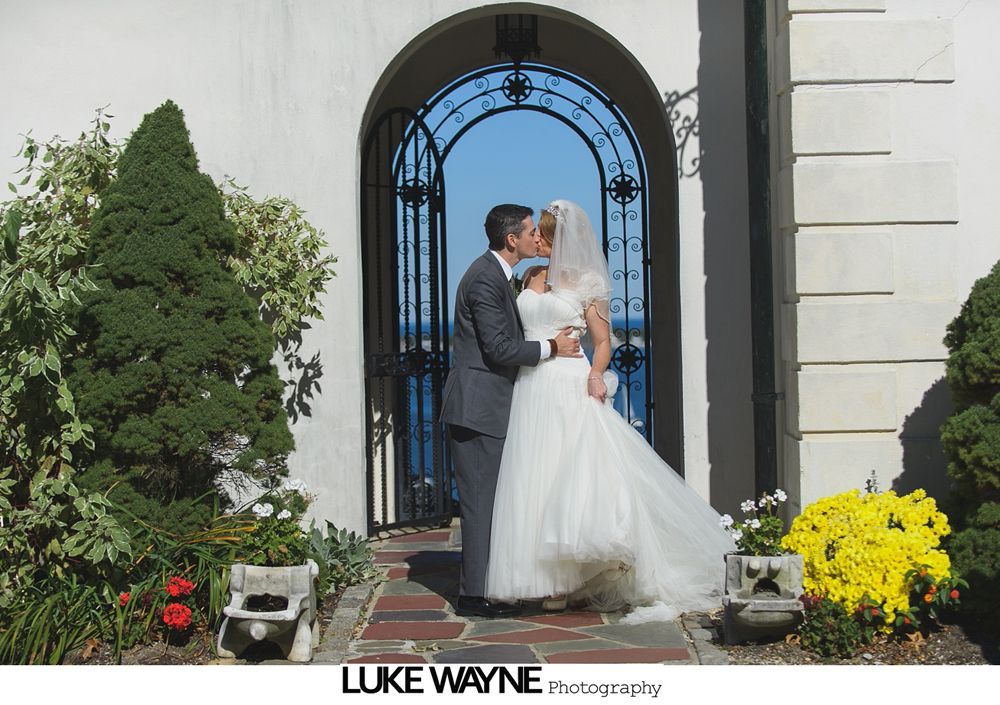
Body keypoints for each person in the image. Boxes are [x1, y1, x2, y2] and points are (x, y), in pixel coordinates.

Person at [485, 199, 736, 621]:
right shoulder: (528, 275)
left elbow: (602, 341)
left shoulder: (586, 282)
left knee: (570, 474)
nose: (538, 241)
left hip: (568, 381)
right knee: (535, 476)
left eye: (544, 235)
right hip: (532, 385)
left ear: (560, 238)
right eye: (536, 235)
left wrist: (596, 375)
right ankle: (541, 578)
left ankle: (569, 579)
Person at [441, 203, 582, 619]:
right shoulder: (485, 279)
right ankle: (473, 596)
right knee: (480, 502)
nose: (536, 238)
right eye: (529, 232)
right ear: (512, 240)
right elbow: (499, 348)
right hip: (478, 406)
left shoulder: (501, 275)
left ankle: (490, 584)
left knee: (494, 501)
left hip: (492, 405)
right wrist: (553, 347)